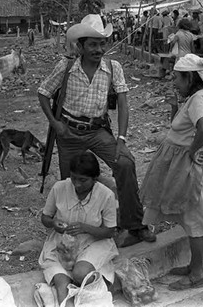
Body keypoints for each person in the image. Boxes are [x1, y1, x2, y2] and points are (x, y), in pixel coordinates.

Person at [38, 14, 156, 248]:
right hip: (69, 132)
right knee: (72, 180)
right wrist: (55, 124)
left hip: (98, 129)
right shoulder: (67, 66)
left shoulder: (114, 67)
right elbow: (43, 92)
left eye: (102, 43)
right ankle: (78, 227)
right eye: (92, 44)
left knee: (125, 163)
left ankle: (134, 224)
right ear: (80, 46)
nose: (99, 49)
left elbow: (122, 103)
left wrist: (121, 138)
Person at [140, 53, 203, 291]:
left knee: (193, 220)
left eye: (177, 78)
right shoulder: (199, 97)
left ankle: (198, 273)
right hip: (186, 163)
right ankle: (194, 266)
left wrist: (192, 151)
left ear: (190, 77)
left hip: (190, 166)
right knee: (190, 218)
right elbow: (191, 127)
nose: (174, 82)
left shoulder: (200, 98)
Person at [38, 151, 118, 305]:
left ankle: (97, 285)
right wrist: (54, 223)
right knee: (62, 282)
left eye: (83, 180)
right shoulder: (59, 188)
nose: (77, 184)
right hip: (62, 244)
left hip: (93, 241)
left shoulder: (106, 195)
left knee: (80, 274)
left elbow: (109, 231)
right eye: (74, 178)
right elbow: (45, 218)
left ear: (95, 179)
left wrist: (85, 228)